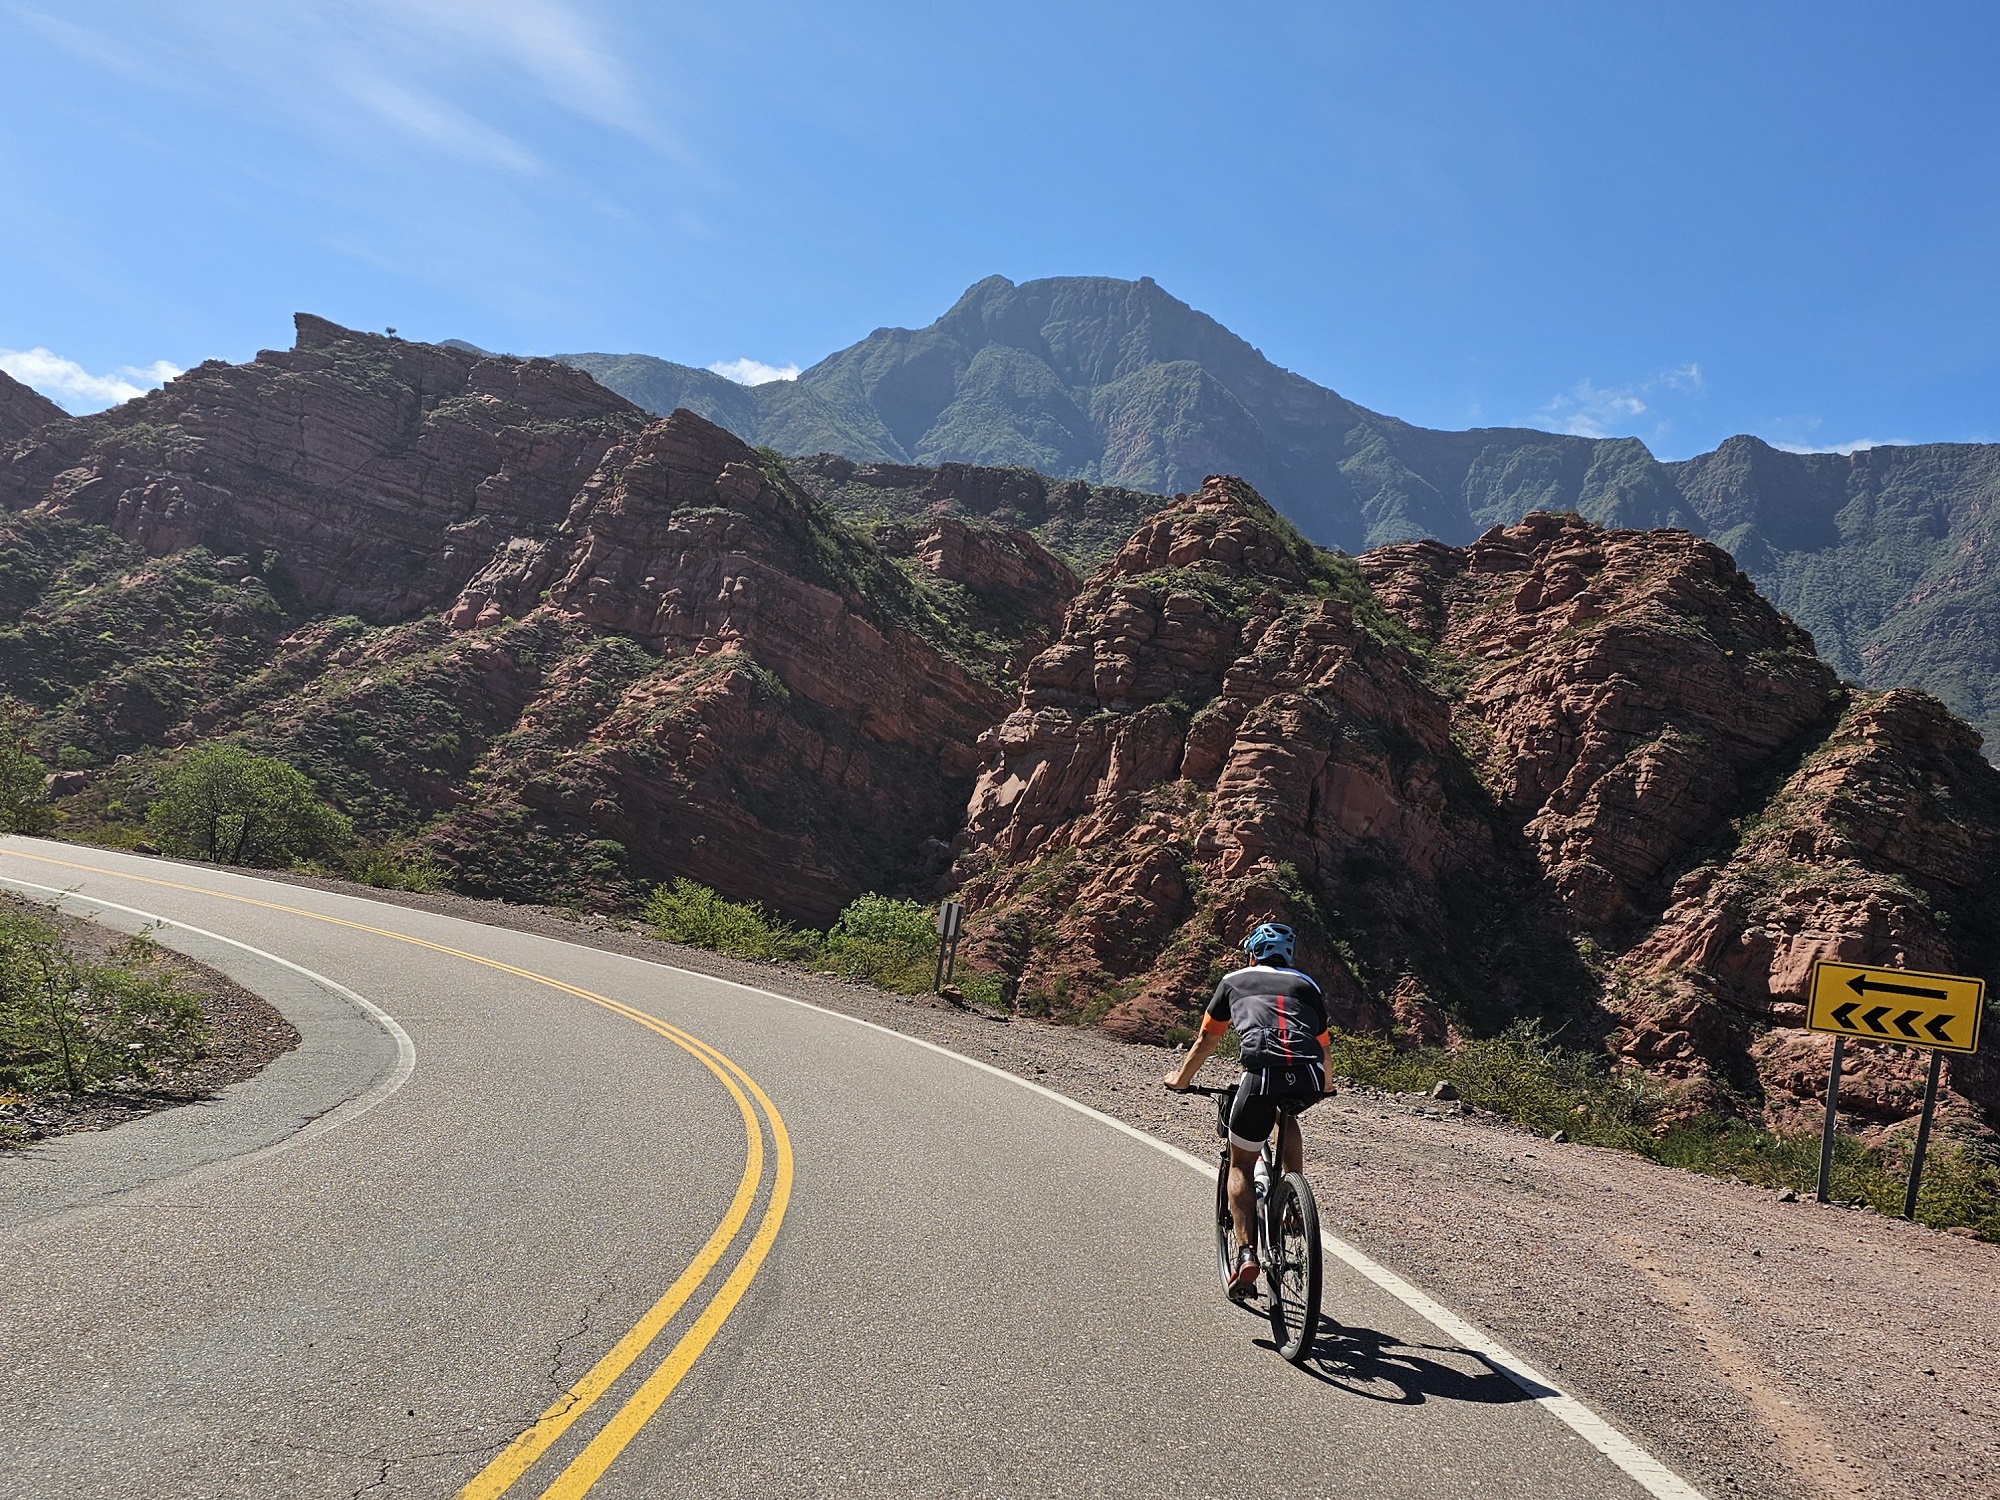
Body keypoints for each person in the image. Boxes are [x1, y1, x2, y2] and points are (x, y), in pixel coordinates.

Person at [1164, 921, 1334, 1296]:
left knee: (1241, 1162)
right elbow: (1323, 1046)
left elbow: (1207, 1040)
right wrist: (1327, 1087)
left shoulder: (1233, 981)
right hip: (1308, 1076)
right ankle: (1292, 1197)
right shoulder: (1308, 986)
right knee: (1285, 1115)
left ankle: (1245, 1255)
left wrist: (1180, 1079)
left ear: (1251, 953)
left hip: (1260, 1077)